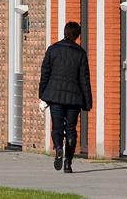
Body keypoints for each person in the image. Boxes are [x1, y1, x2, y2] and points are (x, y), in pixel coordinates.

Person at [39, 21, 93, 173]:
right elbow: (85, 79)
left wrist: (42, 95)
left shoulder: (52, 50)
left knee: (57, 127)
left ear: (64, 32)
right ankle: (68, 163)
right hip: (74, 99)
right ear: (77, 36)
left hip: (55, 96)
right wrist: (87, 102)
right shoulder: (81, 53)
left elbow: (45, 73)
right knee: (71, 129)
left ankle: (57, 148)